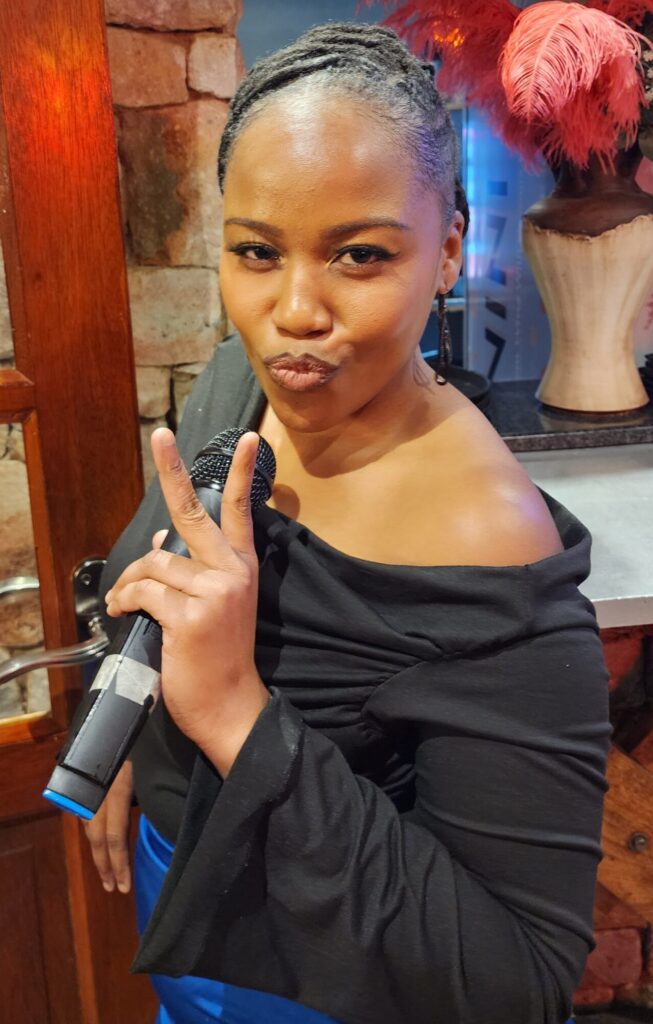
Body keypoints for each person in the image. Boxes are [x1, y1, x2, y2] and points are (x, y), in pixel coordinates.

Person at [85, 22, 611, 1024]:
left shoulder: (484, 548)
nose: (294, 310)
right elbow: (161, 572)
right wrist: (123, 723)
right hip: (180, 943)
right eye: (256, 251)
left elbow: (515, 981)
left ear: (447, 251)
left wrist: (234, 713)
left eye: (359, 255)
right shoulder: (244, 383)